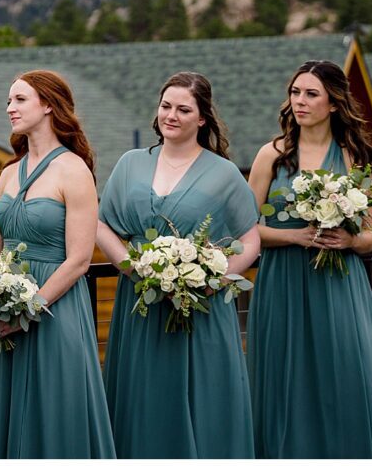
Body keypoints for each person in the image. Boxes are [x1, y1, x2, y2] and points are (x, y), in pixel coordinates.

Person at [246, 60, 372, 458]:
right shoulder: (272, 155)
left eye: (311, 94)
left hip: (339, 288)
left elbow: (370, 237)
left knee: (346, 376)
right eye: (295, 93)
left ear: (334, 103)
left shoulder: (353, 156)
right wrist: (294, 236)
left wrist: (350, 240)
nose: (299, 101)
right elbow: (244, 230)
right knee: (286, 382)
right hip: (282, 284)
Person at [95, 71, 260, 458]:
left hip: (200, 308)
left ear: (202, 118)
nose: (171, 115)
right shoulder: (131, 164)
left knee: (202, 398)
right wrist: (133, 267)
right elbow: (102, 225)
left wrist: (216, 278)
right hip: (141, 305)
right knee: (144, 398)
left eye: (184, 109)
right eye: (166, 106)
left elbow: (250, 238)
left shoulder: (223, 173)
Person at [0, 70, 116, 458]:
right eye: (9, 100)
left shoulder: (74, 170)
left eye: (20, 99)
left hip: (54, 311)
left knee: (54, 413)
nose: (10, 108)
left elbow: (79, 260)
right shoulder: (9, 173)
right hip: (4, 313)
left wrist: (26, 310)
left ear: (49, 106)